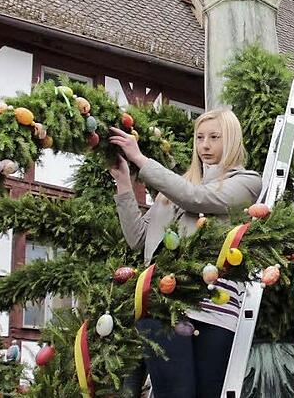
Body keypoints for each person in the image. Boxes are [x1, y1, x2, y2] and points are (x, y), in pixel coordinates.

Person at [109, 108, 262, 398]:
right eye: (200, 137)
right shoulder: (171, 189)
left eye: (215, 137)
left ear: (231, 140)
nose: (204, 145)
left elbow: (198, 199)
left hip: (216, 310)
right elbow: (140, 239)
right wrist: (124, 183)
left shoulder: (247, 182)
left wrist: (141, 160)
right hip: (165, 302)